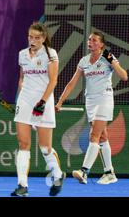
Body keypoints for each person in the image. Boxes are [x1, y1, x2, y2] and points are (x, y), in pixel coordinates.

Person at [55, 31, 128, 185]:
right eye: (89, 40)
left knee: (93, 135)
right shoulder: (84, 61)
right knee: (102, 137)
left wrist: (113, 61)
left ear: (101, 44)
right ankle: (109, 173)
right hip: (90, 102)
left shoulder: (107, 57)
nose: (90, 42)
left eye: (94, 40)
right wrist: (60, 101)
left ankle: (84, 171)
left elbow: (124, 76)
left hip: (104, 99)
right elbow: (72, 83)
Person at [11, 22, 65, 197]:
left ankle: (57, 175)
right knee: (23, 145)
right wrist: (20, 99)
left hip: (44, 102)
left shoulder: (51, 54)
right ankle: (22, 185)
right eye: (30, 37)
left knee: (45, 147)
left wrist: (41, 102)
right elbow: (22, 78)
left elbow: (53, 81)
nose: (32, 40)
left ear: (43, 38)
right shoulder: (22, 55)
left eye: (36, 38)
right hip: (25, 101)